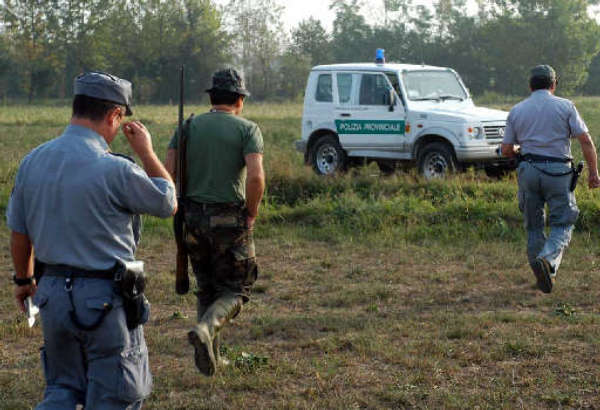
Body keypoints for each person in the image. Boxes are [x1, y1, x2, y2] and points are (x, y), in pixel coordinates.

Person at [7, 72, 177, 409]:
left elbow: (19, 230)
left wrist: (24, 280)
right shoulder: (115, 168)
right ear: (115, 114)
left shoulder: (32, 161)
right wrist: (146, 152)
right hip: (104, 298)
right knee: (116, 394)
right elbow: (167, 201)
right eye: (120, 119)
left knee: (62, 390)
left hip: (52, 294)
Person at [165, 68, 265, 376]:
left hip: (191, 217)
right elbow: (256, 177)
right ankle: (207, 329)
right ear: (239, 99)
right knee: (237, 288)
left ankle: (209, 356)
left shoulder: (188, 126)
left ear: (212, 97)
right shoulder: (247, 129)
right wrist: (250, 212)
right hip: (229, 218)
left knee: (207, 286)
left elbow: (168, 173)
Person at [501, 64, 600, 293]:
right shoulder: (565, 106)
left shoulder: (517, 110)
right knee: (563, 222)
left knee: (534, 226)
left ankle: (541, 271)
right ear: (554, 85)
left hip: (528, 170)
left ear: (530, 86)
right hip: (558, 171)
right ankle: (548, 260)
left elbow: (506, 149)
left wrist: (520, 153)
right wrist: (594, 172)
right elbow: (585, 140)